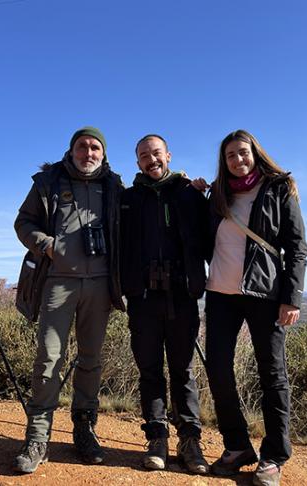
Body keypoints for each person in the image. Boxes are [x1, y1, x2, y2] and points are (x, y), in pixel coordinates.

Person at [12, 127, 125, 474]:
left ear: (103, 154)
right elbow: (23, 221)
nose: (88, 153)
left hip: (100, 285)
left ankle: (84, 430)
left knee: (90, 360)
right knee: (48, 358)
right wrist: (45, 244)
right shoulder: (48, 182)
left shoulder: (114, 186)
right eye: (82, 147)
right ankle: (37, 438)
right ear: (71, 150)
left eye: (94, 148)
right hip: (58, 283)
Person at [205, 130, 307, 486]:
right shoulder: (217, 194)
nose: (238, 160)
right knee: (217, 367)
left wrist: (291, 297)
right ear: (224, 160)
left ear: (255, 153)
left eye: (243, 153)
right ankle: (237, 446)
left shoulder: (279, 188)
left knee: (272, 374)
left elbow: (297, 247)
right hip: (219, 294)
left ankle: (274, 455)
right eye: (231, 155)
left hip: (264, 294)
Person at [120, 134, 209, 474]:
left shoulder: (189, 194)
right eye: (144, 155)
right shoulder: (127, 199)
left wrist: (203, 190)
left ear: (168, 155)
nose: (151, 160)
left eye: (156, 153)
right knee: (150, 372)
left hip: (182, 297)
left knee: (183, 371)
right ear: (137, 162)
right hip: (142, 299)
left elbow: (213, 233)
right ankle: (157, 438)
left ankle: (190, 441)